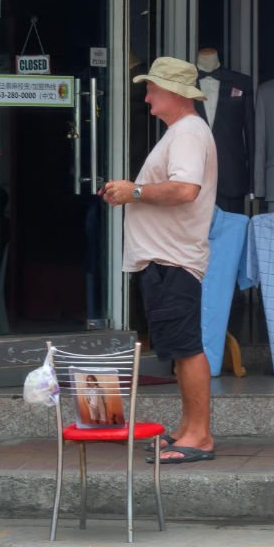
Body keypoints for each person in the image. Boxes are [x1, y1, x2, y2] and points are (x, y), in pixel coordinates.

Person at [101, 56, 218, 465]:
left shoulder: (187, 133)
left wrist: (133, 192)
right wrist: (131, 193)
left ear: (173, 92)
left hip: (173, 259)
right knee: (180, 347)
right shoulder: (183, 132)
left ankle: (199, 436)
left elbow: (186, 190)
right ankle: (189, 429)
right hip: (167, 258)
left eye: (152, 88)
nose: (147, 96)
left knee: (186, 348)